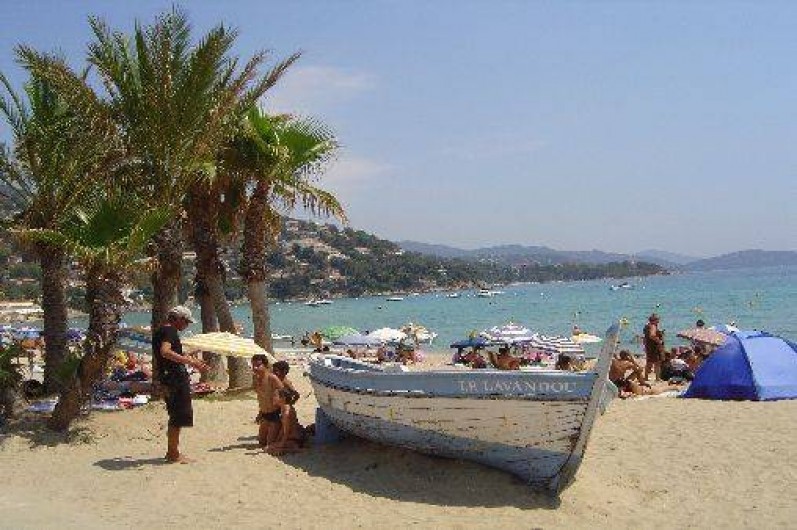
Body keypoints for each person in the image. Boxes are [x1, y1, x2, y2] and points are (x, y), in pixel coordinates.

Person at [152, 305, 208, 464]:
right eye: (186, 322)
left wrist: (190, 357)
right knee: (178, 416)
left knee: (175, 415)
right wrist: (188, 360)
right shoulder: (169, 331)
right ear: (178, 319)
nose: (187, 325)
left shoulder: (163, 331)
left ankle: (173, 452)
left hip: (170, 377)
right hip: (174, 379)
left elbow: (167, 355)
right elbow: (165, 352)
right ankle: (173, 454)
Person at [255, 360, 295, 448]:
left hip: (279, 410)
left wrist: (288, 403)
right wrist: (260, 413)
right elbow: (266, 399)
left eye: (276, 371)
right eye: (273, 371)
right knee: (262, 442)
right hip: (270, 410)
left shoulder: (285, 382)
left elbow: (296, 394)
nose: (274, 373)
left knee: (270, 443)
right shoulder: (273, 380)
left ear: (284, 372)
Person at [266, 387, 308, 455]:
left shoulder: (286, 413)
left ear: (282, 398)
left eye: (275, 396)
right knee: (270, 446)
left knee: (268, 449)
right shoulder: (285, 407)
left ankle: (295, 448)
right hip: (295, 436)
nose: (272, 398)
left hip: (294, 439)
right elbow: (283, 429)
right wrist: (278, 441)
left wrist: (281, 446)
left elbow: (286, 432)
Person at [643, 313, 665, 381]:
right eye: (658, 320)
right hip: (654, 347)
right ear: (654, 320)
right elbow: (652, 335)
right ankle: (657, 378)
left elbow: (646, 337)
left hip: (649, 346)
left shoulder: (647, 326)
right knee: (657, 363)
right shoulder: (653, 326)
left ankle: (646, 377)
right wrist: (659, 341)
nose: (658, 321)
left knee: (649, 362)